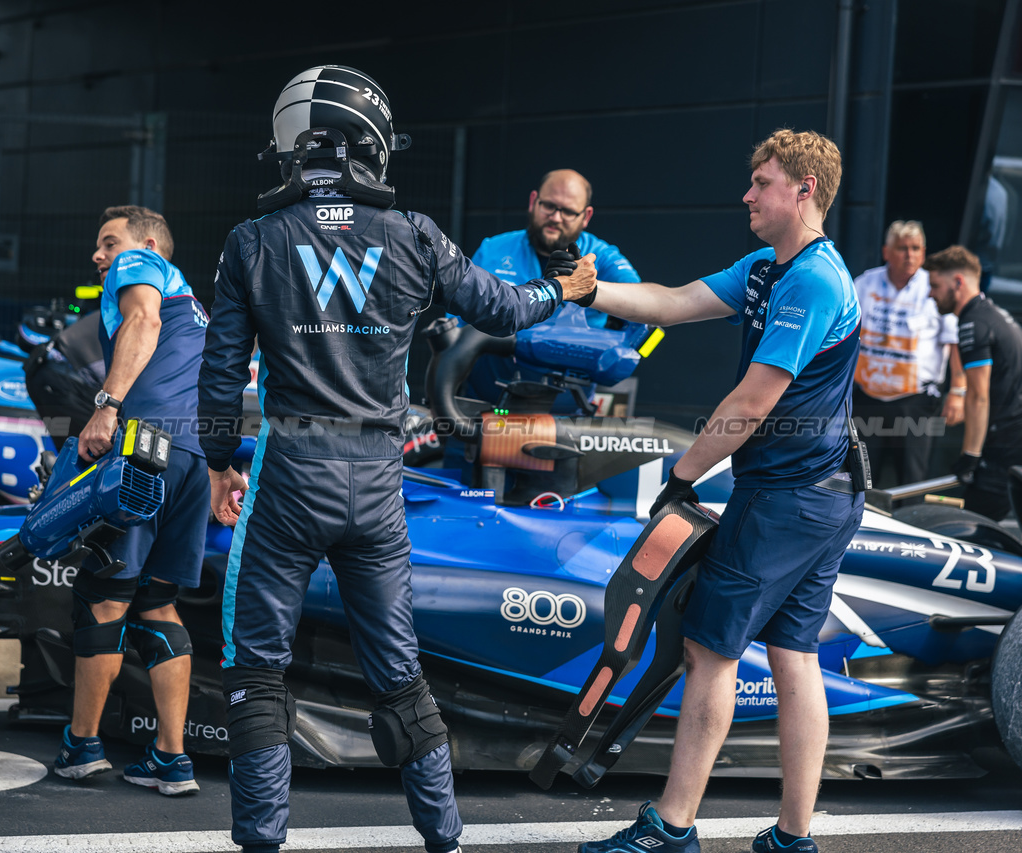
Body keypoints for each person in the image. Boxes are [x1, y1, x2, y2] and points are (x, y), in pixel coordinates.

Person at [197, 65, 595, 853]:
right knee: (400, 673)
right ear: (370, 145)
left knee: (257, 670)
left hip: (289, 472)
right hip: (379, 480)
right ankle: (444, 837)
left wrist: (218, 462)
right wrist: (569, 289)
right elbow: (507, 307)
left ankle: (262, 841)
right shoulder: (414, 232)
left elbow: (219, 376)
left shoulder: (252, 239)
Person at [560, 129, 864, 853]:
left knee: (707, 652)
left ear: (804, 190)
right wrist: (591, 288)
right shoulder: (769, 266)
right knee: (793, 657)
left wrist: (683, 473)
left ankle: (672, 826)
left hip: (789, 498)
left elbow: (751, 403)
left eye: (762, 182)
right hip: (823, 492)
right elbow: (670, 302)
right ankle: (792, 838)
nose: (747, 195)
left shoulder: (814, 281)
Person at [51, 205, 211, 797]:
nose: (98, 255)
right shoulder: (195, 303)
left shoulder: (140, 265)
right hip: (194, 456)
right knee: (158, 605)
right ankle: (172, 760)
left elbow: (141, 323)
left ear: (145, 244)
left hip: (145, 447)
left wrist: (106, 404)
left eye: (107, 242)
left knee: (104, 596)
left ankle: (82, 747)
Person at [465, 169, 641, 408]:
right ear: (533, 202)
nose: (556, 218)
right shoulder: (493, 249)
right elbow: (459, 327)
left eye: (568, 211)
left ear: (586, 216)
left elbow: (648, 320)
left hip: (564, 415)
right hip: (485, 405)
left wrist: (586, 292)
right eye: (548, 206)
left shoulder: (603, 257)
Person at [852, 220, 964, 486]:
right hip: (868, 395)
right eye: (902, 248)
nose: (909, 255)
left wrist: (958, 391)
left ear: (924, 252)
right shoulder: (865, 283)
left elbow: (954, 341)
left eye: (916, 248)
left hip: (915, 400)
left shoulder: (935, 287)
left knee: (912, 477)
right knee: (862, 476)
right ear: (886, 252)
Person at [926, 245, 1022, 520]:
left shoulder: (973, 323)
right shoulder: (993, 314)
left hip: (1005, 446)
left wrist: (970, 455)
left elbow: (978, 396)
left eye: (935, 285)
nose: (931, 294)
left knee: (976, 529)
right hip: (1011, 439)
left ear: (958, 282)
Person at [23, 311, 106, 448]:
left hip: (51, 371)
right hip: (60, 376)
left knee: (77, 453)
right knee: (88, 453)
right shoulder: (147, 316)